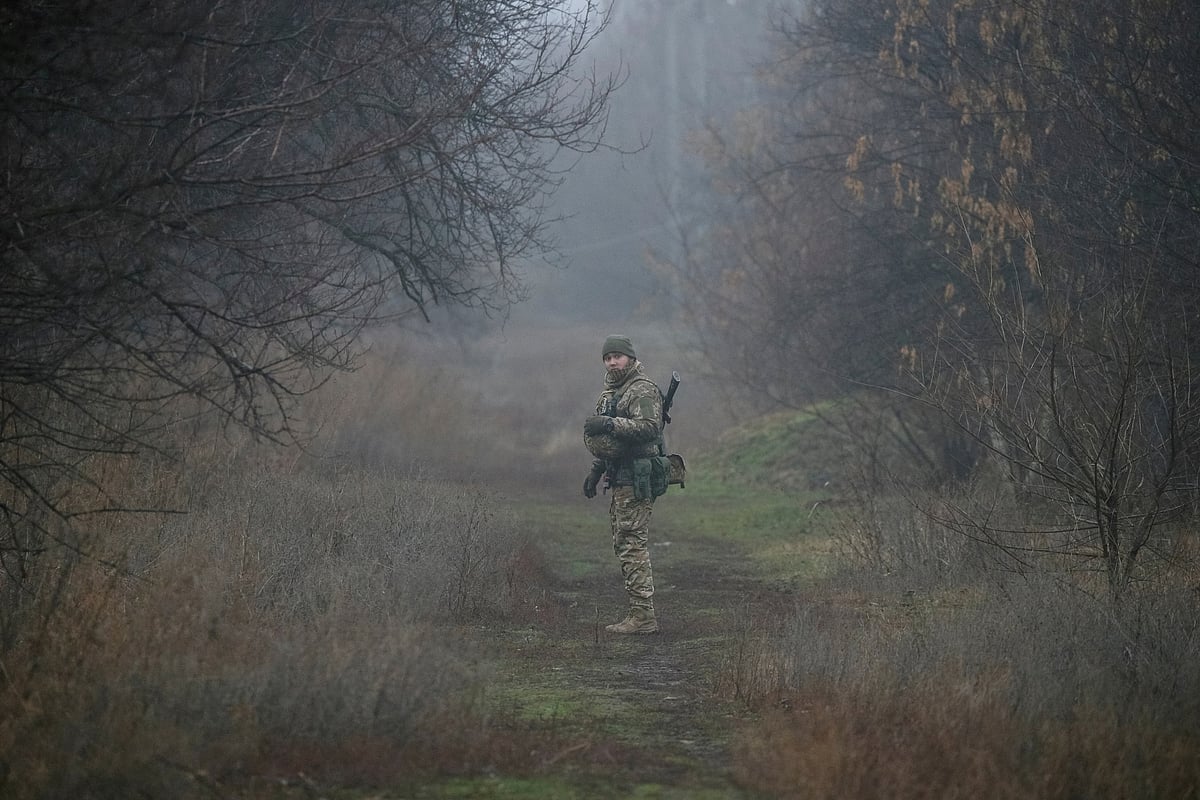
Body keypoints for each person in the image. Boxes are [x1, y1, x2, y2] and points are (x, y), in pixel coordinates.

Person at [582, 334, 664, 634]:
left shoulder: (641, 389)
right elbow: (611, 444)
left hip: (636, 478)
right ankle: (639, 613)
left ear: (630, 357)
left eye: (617, 356)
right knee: (624, 543)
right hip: (620, 477)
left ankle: (643, 617)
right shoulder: (612, 392)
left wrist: (609, 423)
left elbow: (649, 428)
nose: (612, 361)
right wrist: (596, 471)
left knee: (632, 544)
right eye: (607, 357)